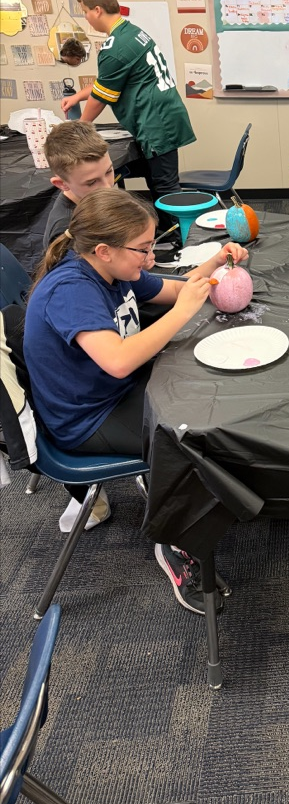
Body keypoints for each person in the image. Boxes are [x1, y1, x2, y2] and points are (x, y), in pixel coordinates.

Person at [25, 187, 248, 614]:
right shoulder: (72, 289)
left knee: (207, 387)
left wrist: (218, 264)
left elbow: (172, 288)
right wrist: (184, 311)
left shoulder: (114, 269)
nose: (150, 259)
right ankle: (174, 542)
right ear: (104, 250)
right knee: (189, 435)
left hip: (113, 392)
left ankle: (195, 493)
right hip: (87, 419)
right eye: (143, 250)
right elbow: (120, 361)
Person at [59, 0, 196, 242]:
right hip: (164, 114)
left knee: (165, 185)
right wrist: (78, 95)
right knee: (159, 182)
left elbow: (102, 96)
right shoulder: (131, 32)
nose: (86, 18)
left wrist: (79, 129)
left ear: (97, 9)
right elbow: (110, 81)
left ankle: (183, 241)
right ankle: (168, 234)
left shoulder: (115, 48)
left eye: (85, 11)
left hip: (157, 121)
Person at [42, 121, 116, 247]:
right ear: (61, 184)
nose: (107, 187)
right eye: (92, 182)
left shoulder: (93, 202)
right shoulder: (67, 232)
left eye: (109, 171)